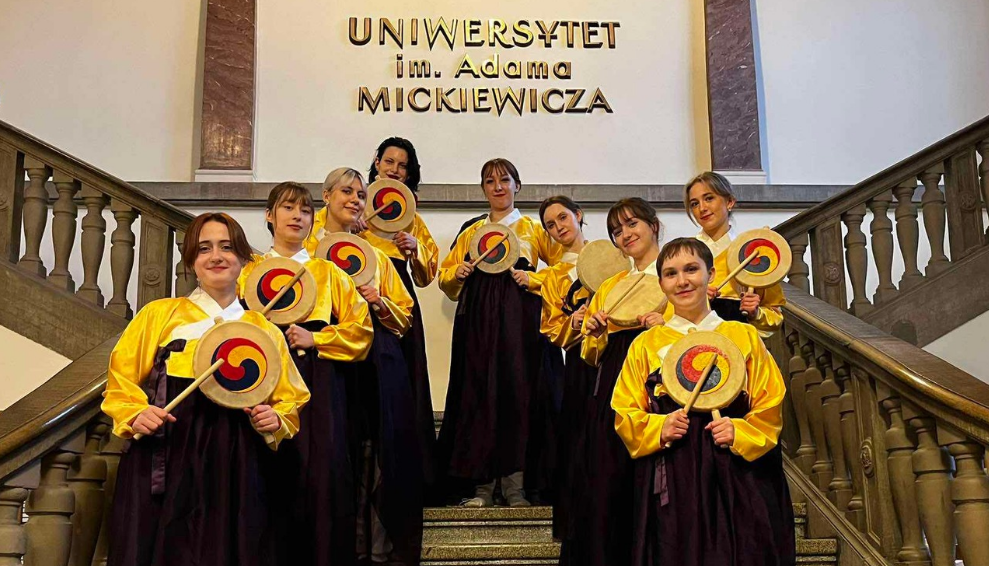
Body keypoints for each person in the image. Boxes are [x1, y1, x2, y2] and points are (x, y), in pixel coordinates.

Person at [102, 212, 310, 566]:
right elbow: (120, 381)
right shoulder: (158, 315)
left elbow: (291, 397)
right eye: (204, 249)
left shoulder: (263, 329)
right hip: (168, 452)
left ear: (244, 259)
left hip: (241, 462)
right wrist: (136, 413)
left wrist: (275, 418)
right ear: (191, 263)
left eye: (227, 247)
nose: (216, 256)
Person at [611, 237, 795, 566]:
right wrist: (658, 426)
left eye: (691, 269)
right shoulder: (645, 345)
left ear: (710, 274)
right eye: (670, 273)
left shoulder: (743, 335)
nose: (682, 281)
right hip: (673, 469)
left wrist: (741, 432)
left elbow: (770, 402)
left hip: (736, 468)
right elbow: (624, 410)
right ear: (662, 284)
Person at [239, 182, 373, 566]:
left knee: (320, 478)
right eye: (287, 208)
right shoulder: (249, 271)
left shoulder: (329, 273)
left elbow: (361, 333)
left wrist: (318, 338)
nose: (297, 216)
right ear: (269, 216)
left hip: (320, 384)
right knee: (263, 475)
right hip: (260, 383)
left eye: (305, 210)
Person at [307, 167, 423, 565]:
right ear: (326, 196)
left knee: (375, 449)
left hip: (377, 362)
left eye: (360, 193)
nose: (356, 199)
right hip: (326, 363)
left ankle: (373, 544)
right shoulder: (306, 255)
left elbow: (404, 318)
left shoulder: (377, 256)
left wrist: (378, 301)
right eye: (346, 191)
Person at [436, 158, 563, 507]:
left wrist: (534, 278)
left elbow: (564, 272)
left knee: (519, 396)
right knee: (477, 394)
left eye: (504, 180)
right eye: (490, 181)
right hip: (477, 326)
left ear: (517, 185)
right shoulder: (470, 232)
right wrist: (457, 273)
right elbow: (445, 281)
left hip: (522, 328)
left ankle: (516, 483)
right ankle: (480, 485)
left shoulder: (536, 230)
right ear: (483, 189)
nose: (498, 187)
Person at [568, 197, 664, 566]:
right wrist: (594, 332)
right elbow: (591, 354)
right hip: (612, 379)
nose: (625, 235)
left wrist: (663, 326)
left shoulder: (673, 272)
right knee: (609, 471)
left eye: (632, 224)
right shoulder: (611, 285)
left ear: (653, 225)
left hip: (655, 381)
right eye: (616, 231)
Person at [362, 138, 440, 492]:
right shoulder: (357, 207)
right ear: (377, 163)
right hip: (357, 296)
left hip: (399, 301)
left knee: (406, 380)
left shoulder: (413, 219)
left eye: (402, 165)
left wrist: (415, 249)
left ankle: (410, 474)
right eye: (389, 161)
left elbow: (427, 275)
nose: (394, 169)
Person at [527, 196, 596, 540]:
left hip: (623, 360)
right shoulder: (553, 276)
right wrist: (575, 321)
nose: (559, 228)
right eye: (550, 225)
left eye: (563, 218)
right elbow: (553, 331)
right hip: (581, 364)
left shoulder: (612, 256)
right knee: (580, 439)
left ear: (579, 215)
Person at [684, 171, 784, 336]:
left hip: (740, 344)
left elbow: (775, 316)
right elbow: (669, 312)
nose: (702, 208)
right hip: (694, 341)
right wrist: (695, 299)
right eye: (694, 203)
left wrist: (755, 313)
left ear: (729, 202)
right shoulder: (683, 255)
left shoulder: (752, 254)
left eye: (709, 198)